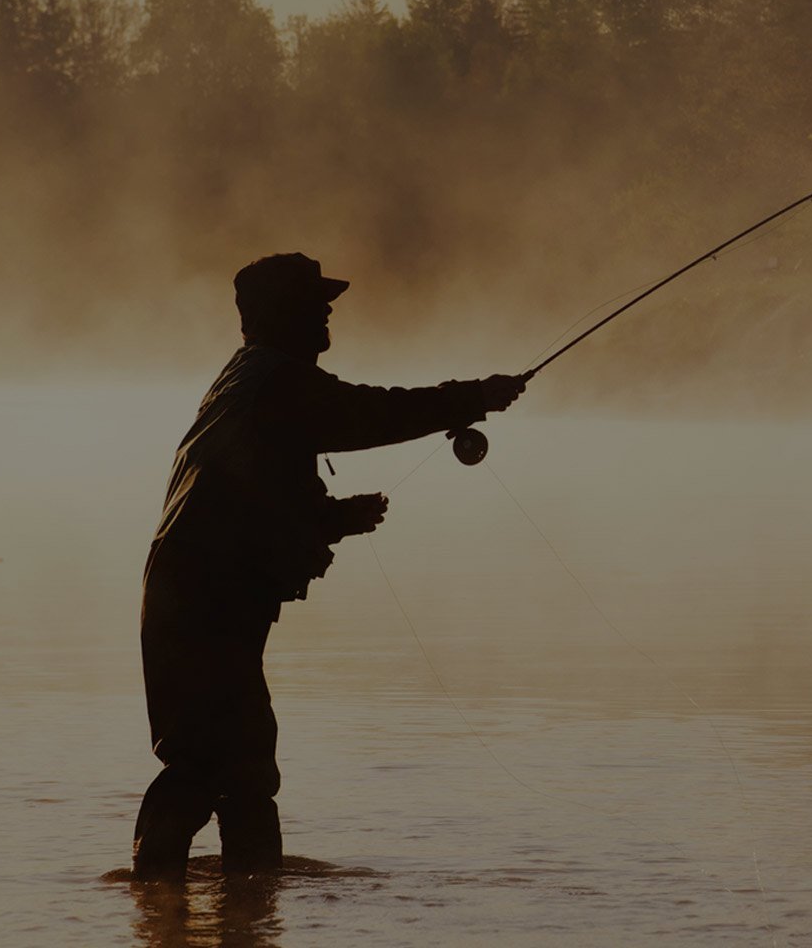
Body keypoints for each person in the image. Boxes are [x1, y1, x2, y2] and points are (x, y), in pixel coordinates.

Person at [131, 252, 525, 880]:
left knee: (240, 763)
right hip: (204, 596)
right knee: (214, 759)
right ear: (276, 313)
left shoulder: (249, 379)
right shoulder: (276, 379)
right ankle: (161, 898)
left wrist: (333, 518)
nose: (327, 311)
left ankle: (238, 904)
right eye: (314, 302)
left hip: (197, 591)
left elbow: (249, 492)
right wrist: (471, 398)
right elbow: (370, 414)